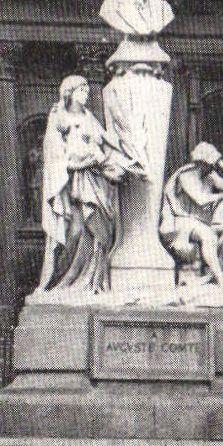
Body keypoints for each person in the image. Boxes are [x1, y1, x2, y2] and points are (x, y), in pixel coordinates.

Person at [37, 75, 141, 296]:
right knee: (75, 232)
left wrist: (130, 151)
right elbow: (54, 154)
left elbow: (105, 139)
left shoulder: (89, 117)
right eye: (81, 90)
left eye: (86, 89)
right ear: (69, 92)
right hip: (74, 182)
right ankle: (63, 283)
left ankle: (93, 282)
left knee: (101, 232)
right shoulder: (59, 118)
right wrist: (78, 162)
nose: (86, 94)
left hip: (96, 179)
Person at [160, 142, 223, 290]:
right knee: (208, 234)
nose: (212, 167)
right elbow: (200, 199)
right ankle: (220, 277)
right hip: (178, 221)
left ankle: (215, 263)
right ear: (202, 162)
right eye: (210, 163)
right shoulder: (186, 175)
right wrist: (222, 195)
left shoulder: (209, 176)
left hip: (198, 221)